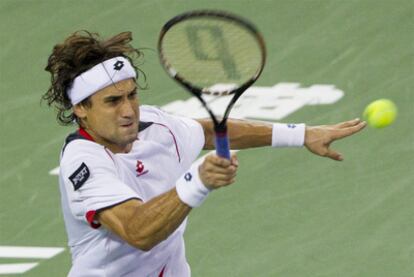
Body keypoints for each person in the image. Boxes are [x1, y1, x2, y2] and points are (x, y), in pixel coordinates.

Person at [43, 31, 366, 276]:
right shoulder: (83, 161)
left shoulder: (156, 126)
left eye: (131, 95)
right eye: (113, 101)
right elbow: (138, 231)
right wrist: (196, 180)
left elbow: (210, 131)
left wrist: (302, 134)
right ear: (81, 109)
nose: (128, 110)